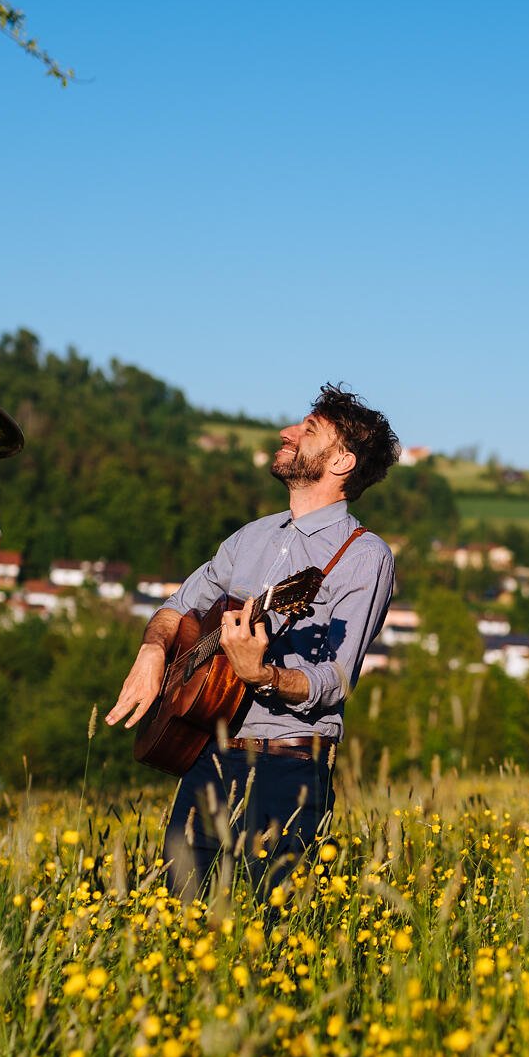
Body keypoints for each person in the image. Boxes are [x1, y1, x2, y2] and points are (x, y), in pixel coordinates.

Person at [106, 385, 399, 899]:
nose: (286, 433)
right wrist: (153, 651)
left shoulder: (364, 555)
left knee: (281, 933)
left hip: (290, 767)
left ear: (342, 461)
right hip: (207, 756)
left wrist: (260, 675)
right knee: (177, 920)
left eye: (308, 432)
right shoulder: (251, 536)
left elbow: (334, 680)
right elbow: (176, 607)